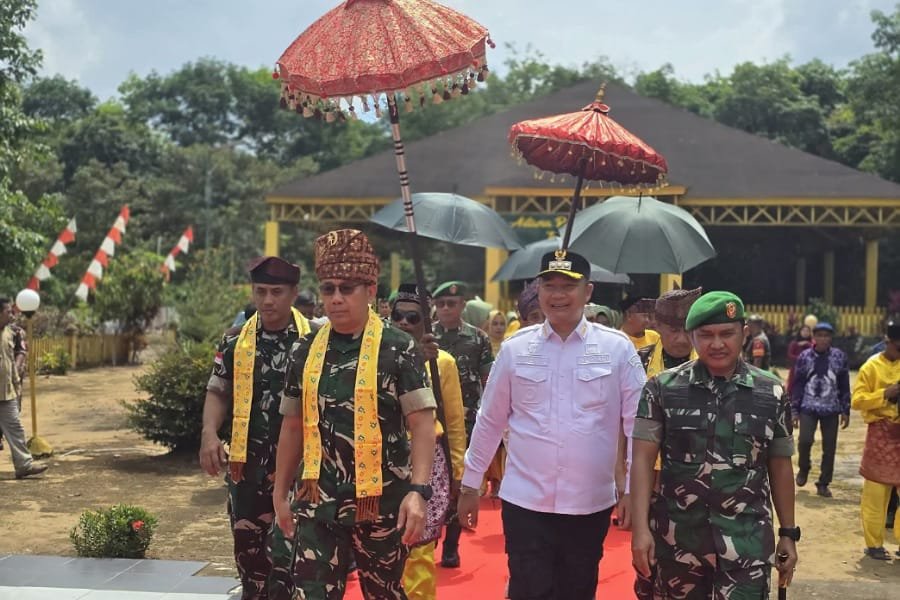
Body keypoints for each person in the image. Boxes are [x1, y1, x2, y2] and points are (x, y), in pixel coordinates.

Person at [458, 250, 644, 600]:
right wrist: (470, 483)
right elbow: (490, 420)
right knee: (528, 589)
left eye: (567, 286)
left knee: (577, 588)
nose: (557, 295)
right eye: (549, 285)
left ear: (587, 292)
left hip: (588, 503)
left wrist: (633, 489)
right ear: (537, 290)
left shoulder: (616, 349)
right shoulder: (515, 350)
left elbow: (638, 426)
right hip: (525, 500)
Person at [271, 229, 436, 600]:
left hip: (382, 503)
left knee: (384, 594)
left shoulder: (398, 347)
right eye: (328, 289)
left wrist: (419, 492)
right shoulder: (305, 349)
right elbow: (293, 425)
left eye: (347, 288)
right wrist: (281, 493)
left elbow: (422, 424)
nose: (336, 298)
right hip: (318, 503)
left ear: (371, 291)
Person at [631, 291, 799, 599]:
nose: (717, 344)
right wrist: (640, 530)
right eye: (706, 335)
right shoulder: (662, 389)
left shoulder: (770, 392)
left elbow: (780, 465)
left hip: (746, 545)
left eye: (727, 334)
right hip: (678, 544)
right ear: (693, 337)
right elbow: (642, 460)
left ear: (744, 334)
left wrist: (788, 533)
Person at [199, 257, 309, 600]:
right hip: (247, 467)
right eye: (260, 291)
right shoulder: (235, 342)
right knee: (249, 558)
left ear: (294, 293)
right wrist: (209, 434)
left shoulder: (316, 341)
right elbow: (218, 391)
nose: (267, 301)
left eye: (277, 292)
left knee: (289, 556)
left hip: (300, 467)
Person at [390, 283, 467, 600]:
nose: (405, 324)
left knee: (419, 547)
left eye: (413, 317)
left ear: (427, 321)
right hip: (384, 459)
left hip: (428, 464)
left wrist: (459, 471)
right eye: (399, 317)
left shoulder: (443, 363)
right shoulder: (375, 358)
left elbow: (452, 422)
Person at [431, 280, 494, 568]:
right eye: (441, 303)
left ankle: (451, 545)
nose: (446, 309)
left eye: (451, 304)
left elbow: (488, 382)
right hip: (429, 422)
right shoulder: (427, 337)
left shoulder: (478, 339)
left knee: (458, 482)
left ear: (462, 306)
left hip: (464, 423)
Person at [852, 319, 900, 561]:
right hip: (880, 432)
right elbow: (857, 400)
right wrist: (885, 394)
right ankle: (874, 545)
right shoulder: (871, 367)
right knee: (876, 494)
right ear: (887, 341)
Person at [790, 322, 850, 498]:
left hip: (831, 408)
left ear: (831, 338)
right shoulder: (805, 357)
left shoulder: (839, 357)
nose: (823, 339)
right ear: (813, 338)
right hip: (808, 406)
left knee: (829, 447)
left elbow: (844, 384)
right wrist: (794, 410)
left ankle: (824, 482)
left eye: (827, 335)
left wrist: (846, 409)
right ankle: (804, 468)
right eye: (820, 335)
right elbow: (798, 383)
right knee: (804, 440)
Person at [0, 298, 48, 479]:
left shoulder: (10, 333)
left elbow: (11, 361)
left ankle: (23, 465)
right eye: (8, 312)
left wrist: (16, 384)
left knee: (16, 429)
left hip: (7, 392)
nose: (12, 315)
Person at [646, 287, 701, 378]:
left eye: (688, 330)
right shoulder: (638, 362)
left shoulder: (710, 362)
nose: (681, 339)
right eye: (674, 330)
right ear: (658, 326)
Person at [620, 294, 660, 371]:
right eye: (644, 316)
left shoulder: (655, 337)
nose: (647, 321)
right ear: (629, 316)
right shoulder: (618, 341)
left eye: (648, 317)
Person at [785, 325, 813, 392]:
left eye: (807, 331)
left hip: (808, 370)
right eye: (803, 331)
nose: (805, 333)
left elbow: (816, 352)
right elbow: (790, 355)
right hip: (795, 370)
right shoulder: (794, 343)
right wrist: (802, 358)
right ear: (800, 332)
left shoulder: (812, 344)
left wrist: (807, 344)